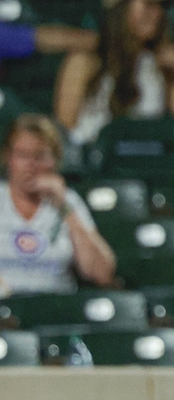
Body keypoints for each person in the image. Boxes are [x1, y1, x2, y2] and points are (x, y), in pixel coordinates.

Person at [54, 0, 174, 144]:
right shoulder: (85, 61)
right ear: (121, 8)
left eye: (161, 6)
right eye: (148, 4)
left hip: (146, 161)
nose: (157, 14)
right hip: (93, 161)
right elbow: (64, 130)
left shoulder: (163, 62)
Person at [0, 114, 115, 296]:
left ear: (55, 160)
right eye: (22, 155)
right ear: (7, 158)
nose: (30, 165)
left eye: (39, 156)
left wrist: (64, 206)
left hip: (56, 309)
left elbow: (100, 273)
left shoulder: (69, 201)